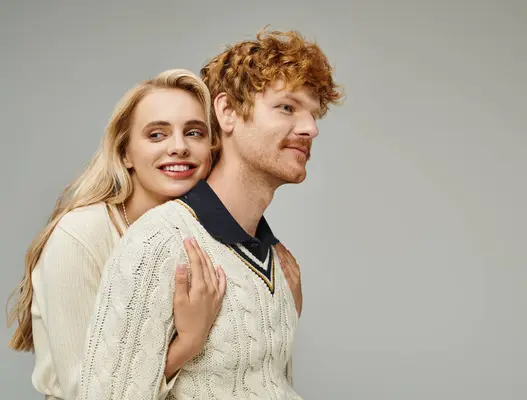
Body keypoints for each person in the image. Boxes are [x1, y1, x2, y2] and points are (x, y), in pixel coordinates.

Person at [77, 27, 343, 399]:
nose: (310, 129)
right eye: (287, 107)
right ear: (227, 112)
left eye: (314, 115)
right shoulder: (160, 242)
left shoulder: (276, 262)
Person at [5, 68, 302, 400]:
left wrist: (278, 307)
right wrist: (188, 343)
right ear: (125, 153)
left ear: (212, 148)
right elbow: (85, 390)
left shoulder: (200, 236)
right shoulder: (81, 235)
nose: (179, 147)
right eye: (157, 135)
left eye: (194, 133)